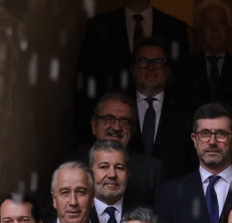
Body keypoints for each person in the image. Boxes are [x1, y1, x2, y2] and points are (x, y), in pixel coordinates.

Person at [76, 0, 190, 138]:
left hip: (167, 132)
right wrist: (84, 136)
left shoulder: (175, 27)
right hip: (112, 132)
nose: (150, 67)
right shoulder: (99, 26)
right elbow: (87, 83)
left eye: (158, 62)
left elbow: (183, 81)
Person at [83, 91, 164, 210]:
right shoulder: (71, 165)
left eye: (125, 122)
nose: (116, 127)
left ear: (133, 129)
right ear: (94, 125)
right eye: (109, 119)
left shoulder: (153, 170)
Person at [128, 38, 195, 178]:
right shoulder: (120, 109)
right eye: (143, 61)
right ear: (133, 70)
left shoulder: (187, 112)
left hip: (173, 193)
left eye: (158, 62)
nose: (151, 67)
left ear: (167, 71)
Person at [186, 0, 232, 122]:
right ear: (199, 30)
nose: (215, 28)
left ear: (229, 30)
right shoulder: (185, 69)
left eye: (221, 22)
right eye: (208, 23)